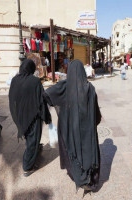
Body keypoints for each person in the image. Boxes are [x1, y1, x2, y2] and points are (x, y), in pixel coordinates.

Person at [43, 60, 101, 193]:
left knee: (72, 151)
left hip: (69, 129)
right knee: (87, 151)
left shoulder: (64, 87)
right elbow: (96, 111)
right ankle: (88, 177)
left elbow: (46, 94)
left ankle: (79, 177)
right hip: (87, 130)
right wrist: (95, 122)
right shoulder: (90, 88)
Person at [9, 59, 51, 177]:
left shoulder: (14, 80)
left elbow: (12, 98)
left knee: (29, 137)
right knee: (33, 139)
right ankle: (27, 167)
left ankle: (36, 149)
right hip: (33, 116)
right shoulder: (35, 81)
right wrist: (46, 115)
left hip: (21, 116)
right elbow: (41, 100)